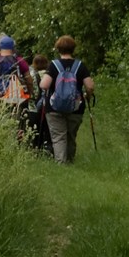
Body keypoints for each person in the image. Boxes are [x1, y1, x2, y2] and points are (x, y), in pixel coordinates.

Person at [37, 35, 94, 164]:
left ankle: (61, 163)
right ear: (73, 49)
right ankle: (70, 161)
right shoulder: (80, 66)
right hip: (76, 107)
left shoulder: (53, 65)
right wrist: (87, 96)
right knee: (71, 135)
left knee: (58, 137)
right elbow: (90, 86)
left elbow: (44, 85)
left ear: (58, 49)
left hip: (54, 107)